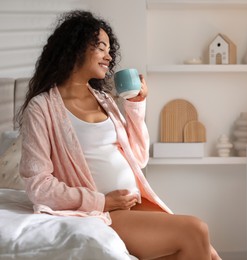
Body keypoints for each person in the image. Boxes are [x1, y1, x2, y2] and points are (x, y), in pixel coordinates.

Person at [18, 10, 221, 260]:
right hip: (104, 213)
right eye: (101, 47)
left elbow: (139, 158)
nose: (109, 56)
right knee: (196, 230)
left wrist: (135, 105)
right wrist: (101, 202)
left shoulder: (105, 100)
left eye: (109, 49)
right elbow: (38, 185)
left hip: (134, 202)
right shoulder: (42, 108)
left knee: (209, 253)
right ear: (75, 47)